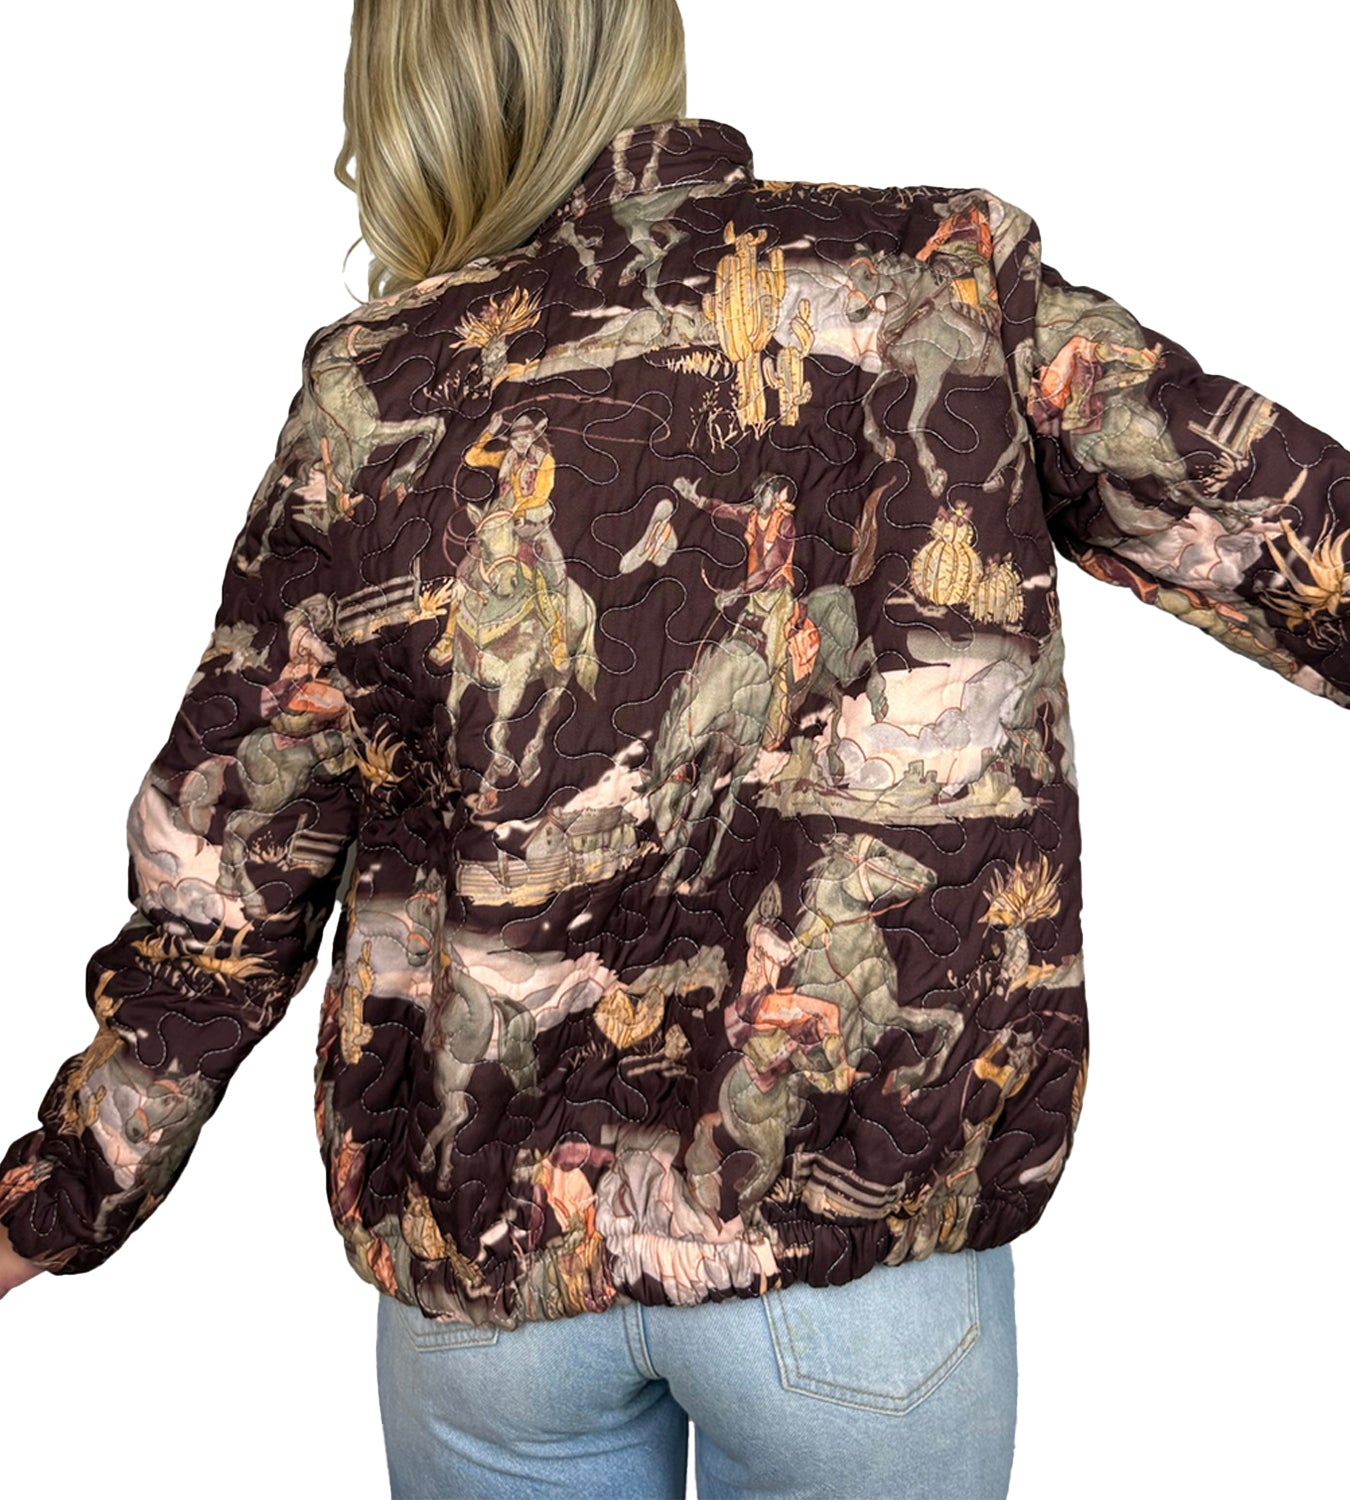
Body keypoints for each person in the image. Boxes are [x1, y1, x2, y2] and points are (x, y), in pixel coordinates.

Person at [2, 3, 1346, 1499]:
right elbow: (1286, 530)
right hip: (853, 1261)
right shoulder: (938, 277)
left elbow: (230, 868)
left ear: (415, 107)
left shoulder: (375, 391)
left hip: (492, 1271)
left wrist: (59, 1192)